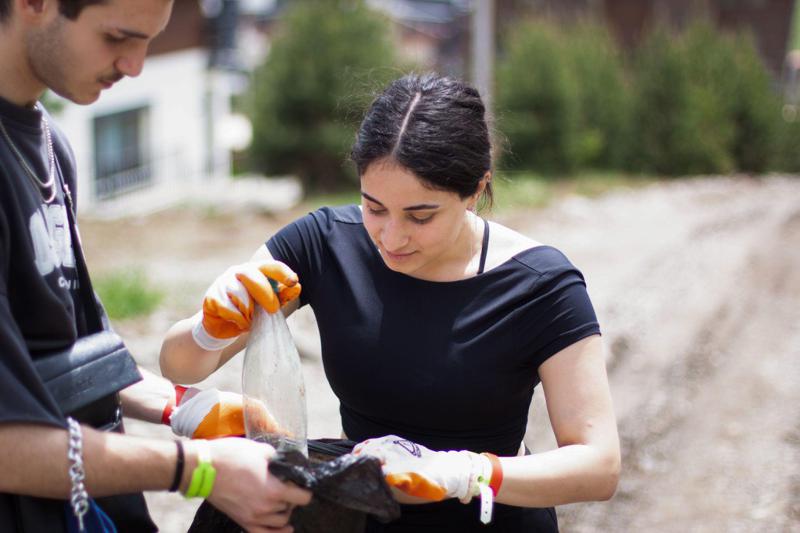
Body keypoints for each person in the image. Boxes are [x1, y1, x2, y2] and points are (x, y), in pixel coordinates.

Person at [160, 73, 621, 532]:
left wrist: (463, 473)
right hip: (358, 514)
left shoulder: (541, 285)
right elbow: (181, 367)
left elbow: (599, 466)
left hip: (490, 517)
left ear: (476, 190)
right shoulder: (323, 245)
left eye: (421, 216)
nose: (392, 238)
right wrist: (208, 328)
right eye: (374, 208)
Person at [0, 0, 311, 531]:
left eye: (150, 39)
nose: (135, 65)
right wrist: (198, 469)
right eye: (118, 37)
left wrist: (183, 405)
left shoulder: (48, 141)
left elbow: (67, 356)